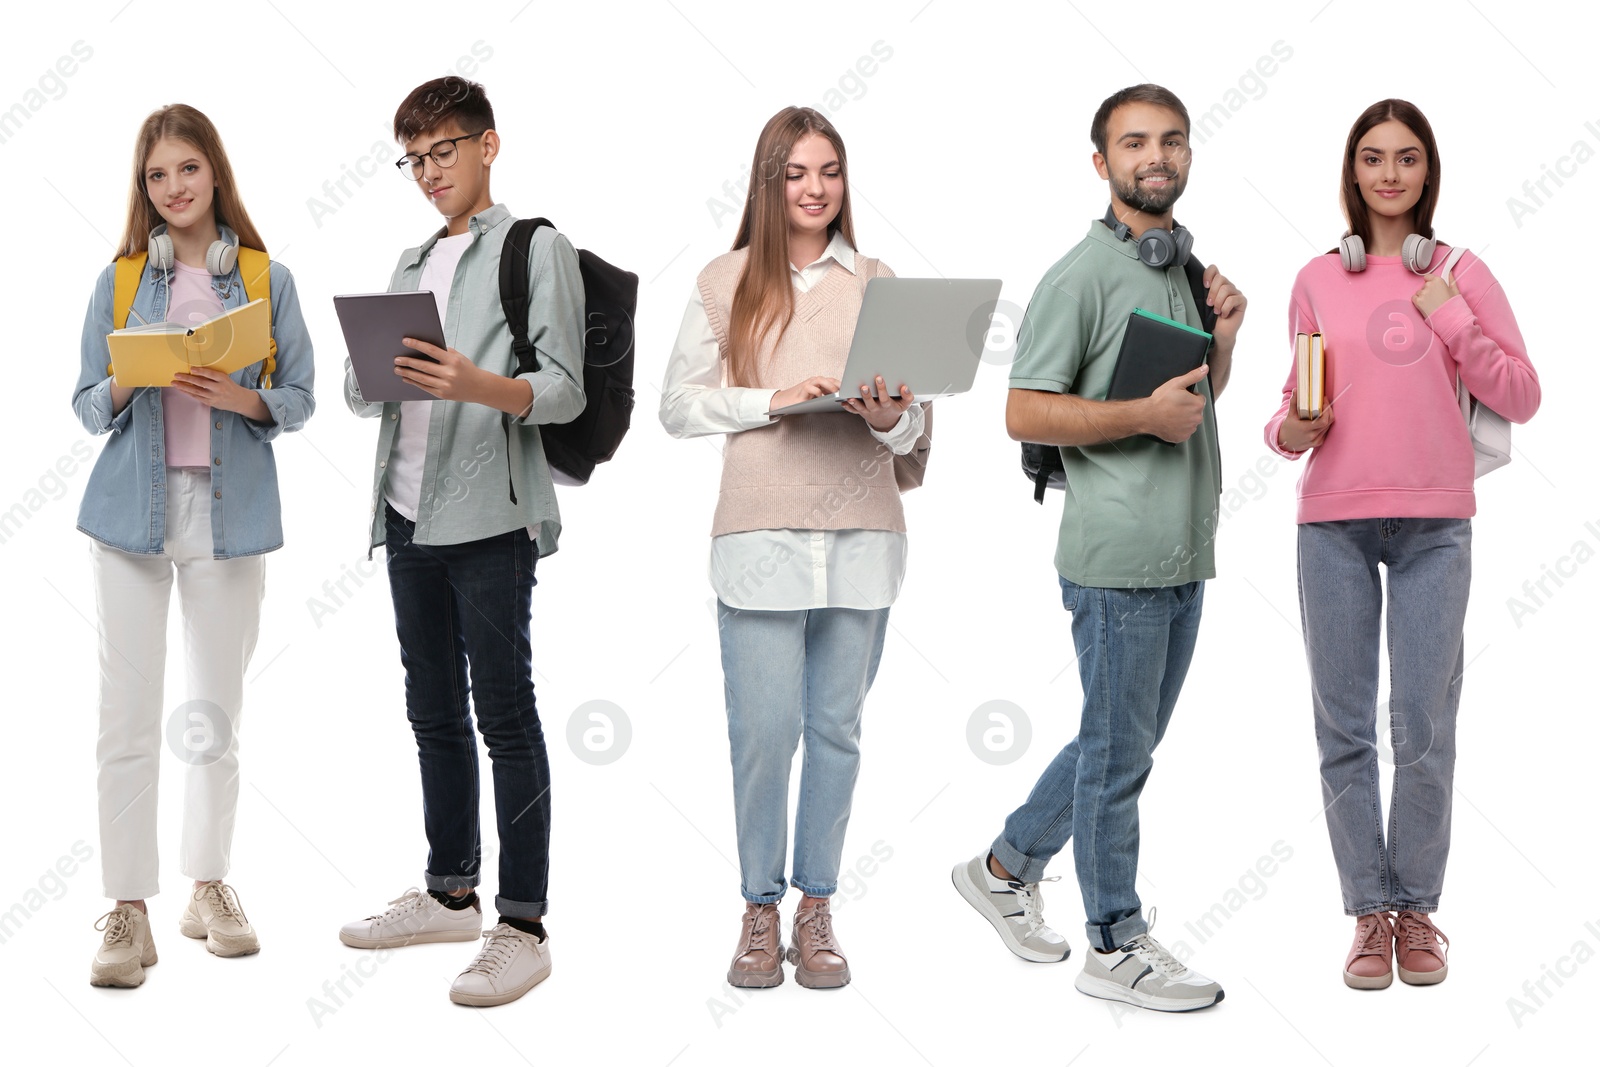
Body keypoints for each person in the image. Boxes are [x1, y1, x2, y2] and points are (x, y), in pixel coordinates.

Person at [951, 84, 1243, 1013]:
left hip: (1182, 551)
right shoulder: (1078, 274)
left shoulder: (1180, 271)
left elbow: (1192, 407)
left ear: (1188, 155)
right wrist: (1139, 416)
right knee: (1122, 754)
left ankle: (1003, 866)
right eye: (1134, 143)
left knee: (1120, 738)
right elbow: (1021, 410)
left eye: (1171, 141)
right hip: (1118, 559)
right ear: (1102, 162)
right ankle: (1113, 939)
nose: (1156, 156)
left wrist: (1223, 341)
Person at [1264, 98, 1539, 990]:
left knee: (1422, 725)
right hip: (1332, 521)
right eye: (1373, 157)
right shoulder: (1315, 275)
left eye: (1407, 158)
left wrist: (1451, 315)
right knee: (1343, 728)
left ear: (1428, 172)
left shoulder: (1462, 272)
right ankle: (1367, 911)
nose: (1389, 173)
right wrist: (1289, 430)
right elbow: (1288, 409)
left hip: (1434, 524)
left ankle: (1417, 907)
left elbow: (1524, 393)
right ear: (1353, 172)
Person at [659, 105, 929, 990]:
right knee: (764, 733)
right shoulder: (724, 278)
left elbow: (918, 426)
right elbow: (677, 405)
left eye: (830, 172)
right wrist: (769, 400)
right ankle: (758, 908)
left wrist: (890, 417)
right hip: (760, 534)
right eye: (797, 174)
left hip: (861, 535)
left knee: (837, 731)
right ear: (769, 183)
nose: (816, 190)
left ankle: (816, 906)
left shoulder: (881, 281)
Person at [337, 76, 585, 1008]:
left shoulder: (534, 247)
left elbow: (563, 388)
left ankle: (521, 922)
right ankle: (450, 890)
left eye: (445, 150)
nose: (430, 172)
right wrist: (381, 375)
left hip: (490, 518)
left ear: (488, 145)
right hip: (405, 512)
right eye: (415, 157)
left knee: (505, 715)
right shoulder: (410, 261)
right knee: (431, 708)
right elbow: (374, 396)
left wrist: (475, 382)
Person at [73, 104, 316, 987]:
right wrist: (128, 377)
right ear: (144, 189)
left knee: (215, 717)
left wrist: (237, 397)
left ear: (215, 171)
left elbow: (297, 398)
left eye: (186, 169)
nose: (173, 188)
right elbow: (85, 404)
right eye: (155, 176)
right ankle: (127, 908)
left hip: (228, 515)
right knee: (125, 720)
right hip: (129, 519)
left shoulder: (262, 276)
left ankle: (208, 884)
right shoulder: (123, 277)